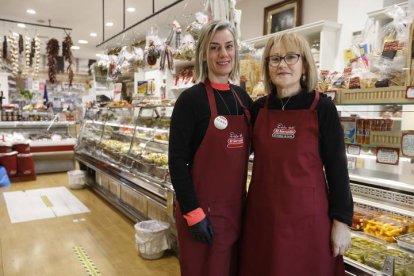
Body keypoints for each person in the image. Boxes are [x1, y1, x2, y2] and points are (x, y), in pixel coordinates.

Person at [239, 32, 353, 276]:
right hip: (263, 218)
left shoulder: (322, 107)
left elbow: (337, 168)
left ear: (304, 65)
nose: (282, 64)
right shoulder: (258, 108)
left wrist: (341, 221)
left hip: (309, 221)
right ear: (267, 66)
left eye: (291, 57)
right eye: (275, 58)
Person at [168, 20, 252, 276]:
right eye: (214, 48)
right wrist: (194, 213)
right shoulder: (190, 100)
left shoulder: (244, 98)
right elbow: (176, 161)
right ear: (204, 53)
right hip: (202, 214)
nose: (223, 54)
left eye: (228, 46)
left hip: (237, 212)